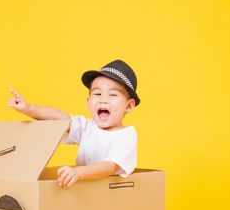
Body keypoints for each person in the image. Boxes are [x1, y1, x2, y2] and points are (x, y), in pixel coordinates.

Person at [8, 60, 140, 188]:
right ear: (88, 102)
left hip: (110, 195)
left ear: (128, 105)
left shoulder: (126, 135)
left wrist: (78, 172)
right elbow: (61, 118)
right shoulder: (87, 127)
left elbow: (111, 166)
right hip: (84, 194)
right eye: (98, 93)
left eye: (112, 95)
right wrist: (28, 108)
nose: (103, 100)